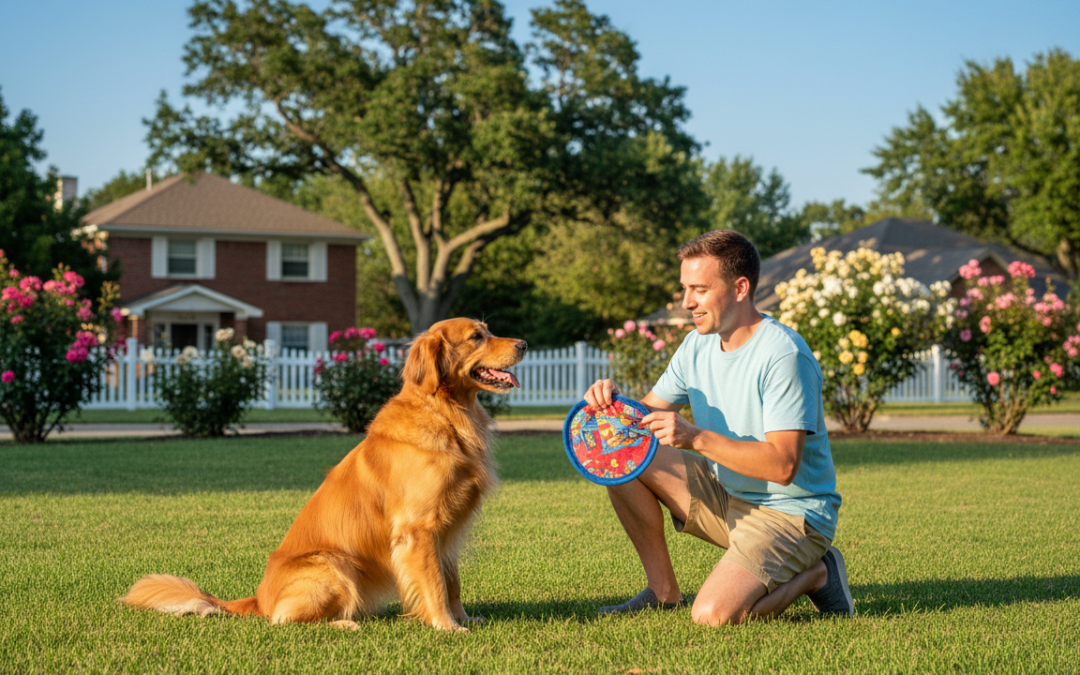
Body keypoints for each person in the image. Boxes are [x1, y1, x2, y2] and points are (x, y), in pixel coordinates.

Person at [584, 229, 853, 625]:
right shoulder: (697, 345)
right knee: (621, 457)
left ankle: (818, 573)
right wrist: (614, 405)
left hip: (791, 514)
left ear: (740, 288)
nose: (687, 302)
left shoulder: (783, 356)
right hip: (729, 494)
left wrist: (695, 437)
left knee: (713, 615)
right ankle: (663, 592)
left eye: (699, 290)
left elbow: (783, 466)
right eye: (685, 289)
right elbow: (641, 418)